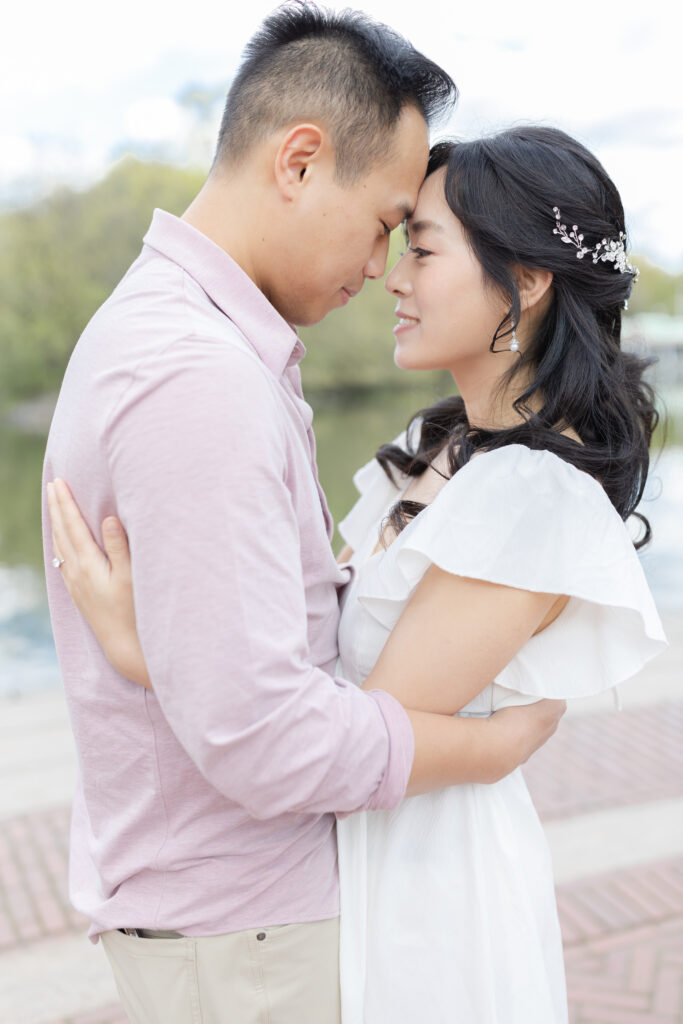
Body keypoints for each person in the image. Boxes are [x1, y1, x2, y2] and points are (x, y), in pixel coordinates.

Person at [48, 121, 668, 1020]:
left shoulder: (533, 497)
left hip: (429, 875)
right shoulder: (438, 445)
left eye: (419, 246)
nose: (391, 274)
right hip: (362, 853)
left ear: (525, 280)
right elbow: (312, 630)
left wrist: (153, 649)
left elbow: (346, 708)